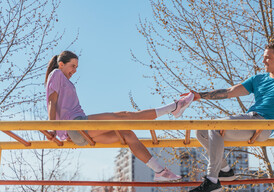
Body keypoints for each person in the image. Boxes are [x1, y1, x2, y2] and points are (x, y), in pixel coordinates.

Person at [186, 43, 274, 192]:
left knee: (215, 126)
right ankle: (225, 171)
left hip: (264, 125)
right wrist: (200, 95)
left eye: (267, 58)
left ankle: (212, 180)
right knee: (201, 131)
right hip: (249, 120)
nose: (263, 61)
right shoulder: (258, 79)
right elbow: (229, 91)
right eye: (263, 57)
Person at [45, 51, 194, 182]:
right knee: (123, 116)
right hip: (77, 125)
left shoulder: (67, 81)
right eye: (73, 66)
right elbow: (52, 101)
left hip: (81, 132)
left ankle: (159, 171)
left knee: (127, 134)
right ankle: (174, 107)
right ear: (61, 64)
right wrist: (52, 128)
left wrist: (63, 133)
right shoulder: (57, 74)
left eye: (77, 67)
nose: (75, 70)